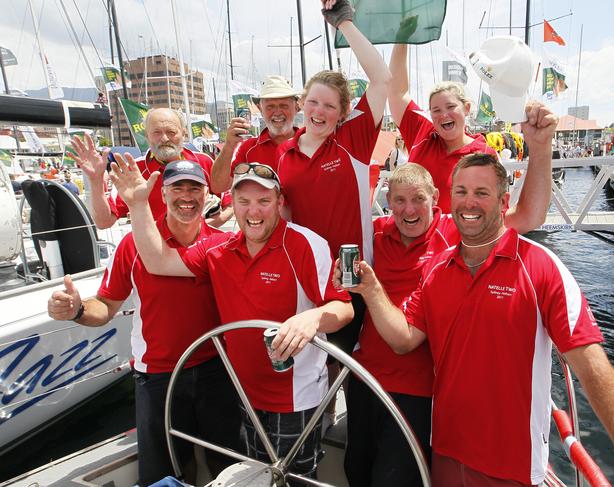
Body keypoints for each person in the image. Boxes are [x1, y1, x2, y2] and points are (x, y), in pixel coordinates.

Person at [341, 152, 614, 486]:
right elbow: (404, 339)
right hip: (446, 452)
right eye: (461, 192)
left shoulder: (540, 268)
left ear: (503, 201)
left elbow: (591, 367)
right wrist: (371, 289)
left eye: (481, 193)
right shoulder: (436, 272)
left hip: (512, 467)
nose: (469, 202)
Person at [343, 101, 558, 487]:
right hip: (362, 379)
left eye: (419, 200)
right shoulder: (373, 234)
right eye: (399, 201)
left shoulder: (457, 231)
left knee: (393, 480)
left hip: (419, 389)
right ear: (387, 204)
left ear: (436, 202)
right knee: (355, 472)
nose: (409, 210)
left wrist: (541, 149)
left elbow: (529, 217)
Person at [109, 154, 353, 480]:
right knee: (254, 477)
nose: (253, 211)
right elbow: (157, 261)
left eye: (264, 200)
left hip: (295, 398)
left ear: (279, 202)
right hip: (241, 397)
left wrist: (313, 319)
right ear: (233, 204)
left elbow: (343, 308)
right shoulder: (218, 251)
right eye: (244, 201)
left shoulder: (307, 245)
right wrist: (138, 205)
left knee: (294, 479)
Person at [47, 160, 240, 486]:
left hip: (217, 371)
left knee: (231, 467)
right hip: (158, 378)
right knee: (166, 474)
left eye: (194, 187)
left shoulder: (223, 244)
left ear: (207, 193)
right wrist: (78, 308)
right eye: (177, 188)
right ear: (162, 194)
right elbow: (105, 307)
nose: (186, 196)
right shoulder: (131, 245)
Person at [275, 0, 391, 355]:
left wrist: (343, 23)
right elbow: (284, 219)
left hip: (352, 277)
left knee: (350, 365)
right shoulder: (284, 156)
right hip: (309, 278)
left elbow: (383, 78)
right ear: (301, 104)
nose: (319, 111)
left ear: (342, 114)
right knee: (314, 365)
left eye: (329, 105)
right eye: (313, 102)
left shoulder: (352, 139)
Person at [388, 37, 551, 217]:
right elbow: (397, 92)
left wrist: (541, 147)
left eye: (451, 107)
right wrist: (401, 38)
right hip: (417, 241)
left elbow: (508, 217)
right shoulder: (422, 131)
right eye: (436, 110)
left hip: (461, 241)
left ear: (466, 108)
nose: (443, 115)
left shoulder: (485, 155)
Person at [69, 108, 214, 229]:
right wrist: (95, 180)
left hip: (199, 252)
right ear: (146, 136)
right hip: (154, 255)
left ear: (183, 133)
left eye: (171, 132)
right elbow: (104, 222)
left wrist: (195, 231)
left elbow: (229, 206)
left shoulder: (204, 162)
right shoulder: (133, 170)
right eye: (156, 132)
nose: (164, 139)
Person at [209, 75, 301, 194]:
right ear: (260, 109)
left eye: (284, 106)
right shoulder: (248, 149)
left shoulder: (311, 143)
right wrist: (229, 145)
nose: (277, 112)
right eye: (270, 107)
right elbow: (218, 187)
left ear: (296, 108)